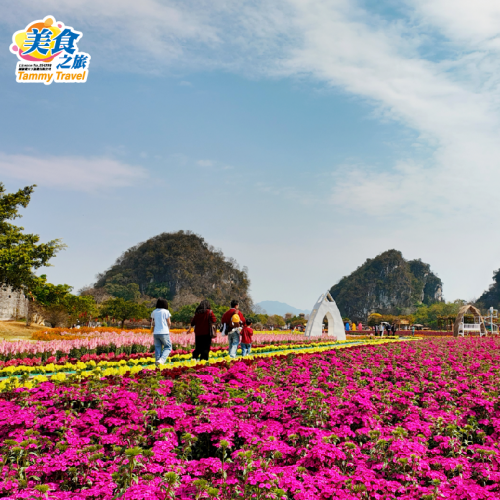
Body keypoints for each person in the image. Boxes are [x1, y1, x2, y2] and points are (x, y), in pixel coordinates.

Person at [151, 298, 172, 365]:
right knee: (168, 347)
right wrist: (168, 328)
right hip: (164, 332)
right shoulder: (166, 311)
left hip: (156, 332)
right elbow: (169, 323)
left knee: (158, 347)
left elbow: (153, 322)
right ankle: (162, 359)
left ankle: (157, 361)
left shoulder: (154, 312)